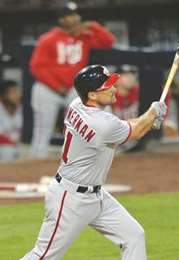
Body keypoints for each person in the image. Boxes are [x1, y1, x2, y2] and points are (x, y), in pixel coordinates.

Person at [0, 65, 179, 260]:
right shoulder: (99, 122)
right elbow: (133, 132)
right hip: (71, 199)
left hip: (95, 194)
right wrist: (152, 114)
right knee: (42, 258)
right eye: (107, 86)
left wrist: (147, 120)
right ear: (92, 94)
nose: (113, 88)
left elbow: (130, 127)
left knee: (133, 234)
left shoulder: (78, 105)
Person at [28, 1, 115, 158]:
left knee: (98, 109)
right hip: (47, 89)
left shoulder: (85, 37)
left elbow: (109, 42)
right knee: (42, 132)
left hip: (73, 89)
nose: (74, 19)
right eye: (69, 16)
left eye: (75, 15)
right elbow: (36, 67)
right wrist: (56, 86)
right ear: (61, 20)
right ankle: (36, 163)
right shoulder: (48, 39)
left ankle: (96, 154)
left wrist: (93, 26)